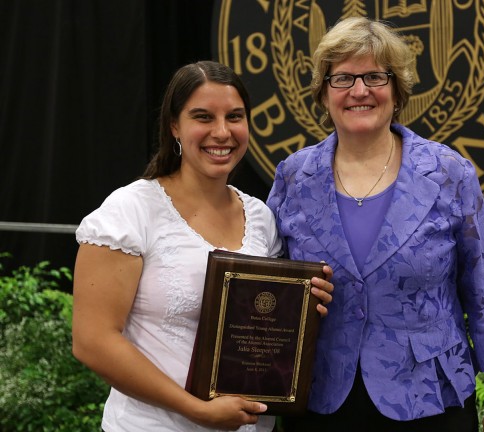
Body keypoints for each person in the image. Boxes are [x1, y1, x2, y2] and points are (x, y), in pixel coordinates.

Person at [266, 17, 484, 432]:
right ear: (323, 92)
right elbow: (269, 280)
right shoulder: (293, 176)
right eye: (343, 78)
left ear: (397, 91)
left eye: (374, 76)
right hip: (320, 396)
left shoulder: (448, 172)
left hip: (430, 398)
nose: (359, 91)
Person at [71, 60, 333, 432]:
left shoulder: (260, 217)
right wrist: (196, 409)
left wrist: (305, 305)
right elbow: (92, 342)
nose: (222, 132)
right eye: (203, 117)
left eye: (235, 116)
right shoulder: (130, 211)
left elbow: (266, 330)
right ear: (175, 125)